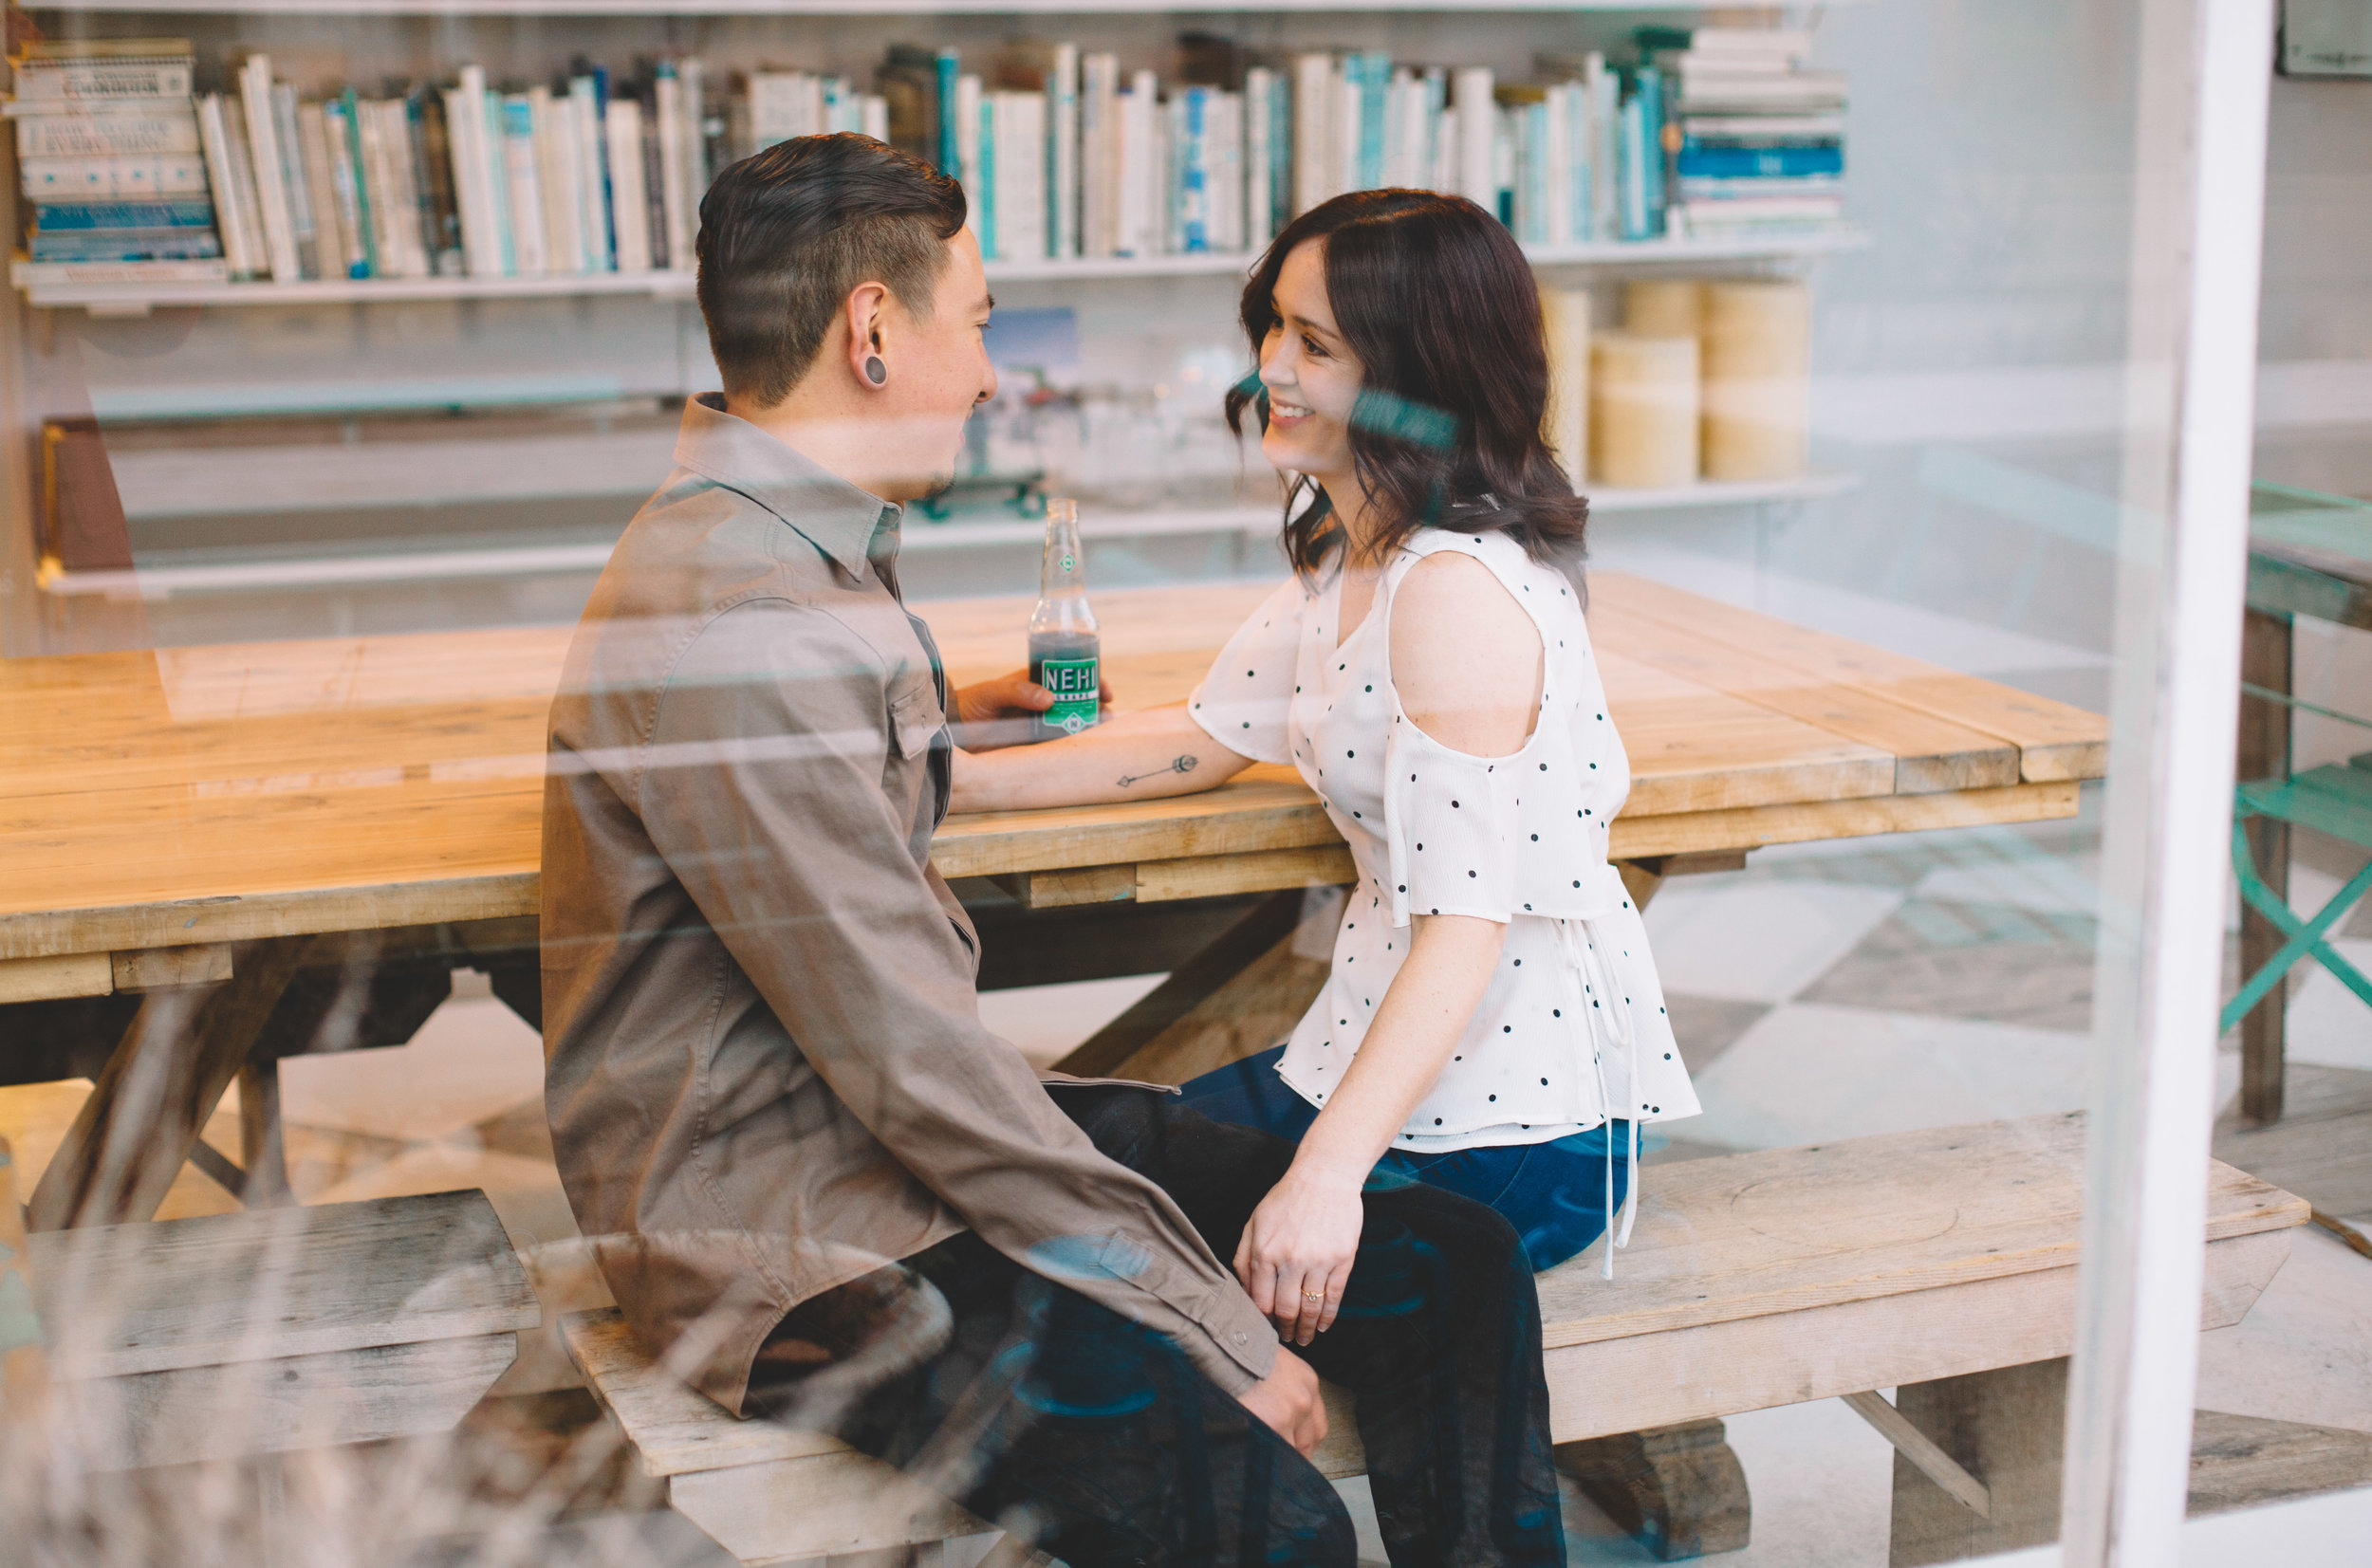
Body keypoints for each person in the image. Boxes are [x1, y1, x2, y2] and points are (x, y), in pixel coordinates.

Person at [540, 137, 1564, 1567]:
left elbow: (814, 830)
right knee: (1273, 1530)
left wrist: (933, 722)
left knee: (1454, 1263)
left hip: (890, 1143)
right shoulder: (745, 627)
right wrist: (1209, 1321)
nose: (987, 372)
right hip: (799, 1230)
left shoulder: (788, 556)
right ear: (874, 333)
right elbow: (915, 1065)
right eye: (977, 324)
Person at [952, 190, 1703, 1319]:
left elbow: (1466, 926)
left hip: (1512, 1136)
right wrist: (931, 785)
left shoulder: (1452, 590)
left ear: (1419, 377)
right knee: (1030, 1178)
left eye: (1316, 345)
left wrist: (1321, 1183)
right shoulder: (1351, 550)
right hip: (1367, 1071)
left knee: (1046, 1250)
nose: (1271, 369)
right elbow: (1201, 744)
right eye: (1272, 328)